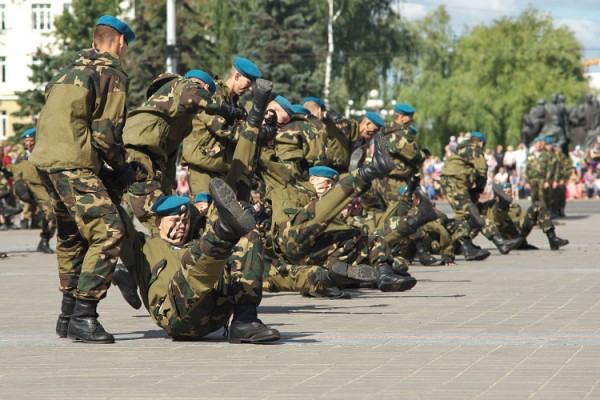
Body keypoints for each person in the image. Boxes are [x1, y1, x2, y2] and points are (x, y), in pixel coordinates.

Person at [29, 16, 148, 343]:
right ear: (120, 43)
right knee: (109, 231)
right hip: (73, 163)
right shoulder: (111, 72)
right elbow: (107, 133)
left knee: (71, 236)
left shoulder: (66, 71)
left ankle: (67, 315)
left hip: (45, 162)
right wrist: (122, 168)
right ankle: (85, 315)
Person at [117, 180, 280, 343]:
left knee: (248, 236)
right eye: (175, 220)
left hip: (216, 310)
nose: (181, 225)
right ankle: (224, 230)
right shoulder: (142, 248)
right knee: (194, 259)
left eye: (185, 221)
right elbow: (118, 221)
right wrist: (117, 180)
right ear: (159, 223)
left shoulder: (195, 242)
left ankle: (245, 320)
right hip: (178, 316)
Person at [181, 57, 263, 194]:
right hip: (203, 171)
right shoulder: (212, 94)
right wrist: (254, 133)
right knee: (206, 213)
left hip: (223, 171)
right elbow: (222, 128)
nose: (250, 89)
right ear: (237, 76)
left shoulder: (236, 105)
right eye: (248, 84)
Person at [440, 131, 522, 260]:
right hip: (454, 183)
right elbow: (482, 171)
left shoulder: (462, 149)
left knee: (475, 212)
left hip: (454, 183)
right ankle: (468, 248)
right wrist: (479, 189)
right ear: (481, 143)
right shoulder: (474, 148)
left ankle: (499, 242)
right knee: (467, 213)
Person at [9, 128, 56, 252]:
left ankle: (45, 240)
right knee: (49, 213)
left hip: (44, 190)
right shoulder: (22, 157)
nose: (28, 144)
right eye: (26, 141)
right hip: (28, 192)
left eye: (31, 141)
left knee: (51, 214)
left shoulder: (45, 154)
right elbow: (12, 171)